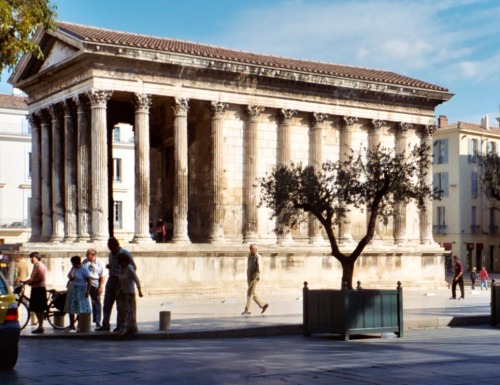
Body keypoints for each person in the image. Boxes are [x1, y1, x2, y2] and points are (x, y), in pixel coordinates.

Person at [96, 237, 136, 331]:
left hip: (120, 281)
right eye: (109, 247)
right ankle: (105, 324)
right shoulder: (111, 254)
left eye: (111, 247)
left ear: (116, 245)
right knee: (107, 303)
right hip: (111, 279)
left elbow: (133, 267)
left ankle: (120, 325)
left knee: (120, 305)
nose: (110, 249)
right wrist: (110, 266)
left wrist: (124, 275)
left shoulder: (125, 253)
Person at [115, 254, 143, 335]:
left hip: (129, 293)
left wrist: (139, 290)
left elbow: (136, 280)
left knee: (128, 311)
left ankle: (127, 328)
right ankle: (125, 327)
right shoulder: (122, 269)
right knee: (122, 311)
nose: (121, 264)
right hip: (122, 292)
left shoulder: (130, 269)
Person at [82, 248, 108, 329]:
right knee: (83, 301)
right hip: (85, 282)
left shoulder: (100, 263)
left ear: (93, 255)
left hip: (95, 281)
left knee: (96, 302)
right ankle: (82, 321)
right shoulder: (85, 262)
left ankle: (97, 321)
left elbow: (103, 275)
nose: (86, 256)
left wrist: (101, 286)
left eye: (88, 254)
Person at [64, 256, 92, 331]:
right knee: (71, 308)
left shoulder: (84, 269)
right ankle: (72, 325)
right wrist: (71, 277)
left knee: (80, 308)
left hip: (80, 290)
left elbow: (89, 280)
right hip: (72, 289)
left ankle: (80, 324)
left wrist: (88, 291)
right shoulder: (73, 268)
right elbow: (70, 276)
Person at [242, 244, 269, 315]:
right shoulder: (250, 256)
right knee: (253, 293)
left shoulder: (258, 257)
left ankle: (248, 309)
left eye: (252, 249)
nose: (251, 250)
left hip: (254, 277)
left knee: (249, 293)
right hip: (249, 277)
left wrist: (256, 276)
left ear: (256, 249)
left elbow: (259, 267)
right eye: (250, 249)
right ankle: (263, 305)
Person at [23, 252, 47, 333]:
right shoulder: (35, 266)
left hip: (39, 288)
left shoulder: (40, 266)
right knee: (36, 308)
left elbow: (41, 278)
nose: (31, 259)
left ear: (36, 257)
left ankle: (40, 326)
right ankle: (40, 325)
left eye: (32, 257)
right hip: (35, 288)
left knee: (39, 308)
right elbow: (33, 277)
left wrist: (32, 283)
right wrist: (26, 281)